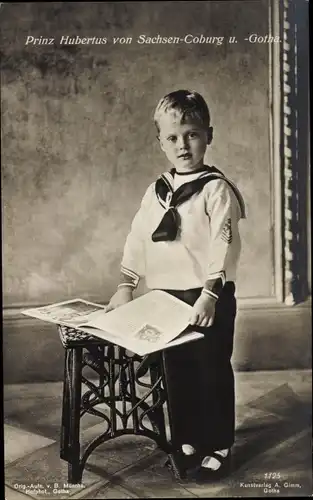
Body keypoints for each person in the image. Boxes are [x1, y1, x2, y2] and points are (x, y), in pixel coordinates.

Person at [106, 89, 246, 480]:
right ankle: (187, 437)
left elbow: (224, 242)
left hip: (206, 297)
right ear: (160, 143)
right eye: (172, 137)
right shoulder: (157, 190)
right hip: (166, 297)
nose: (183, 144)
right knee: (176, 370)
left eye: (192, 133)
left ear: (209, 135)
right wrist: (126, 284)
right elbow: (138, 236)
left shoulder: (215, 189)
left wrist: (210, 294)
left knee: (210, 369)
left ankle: (218, 442)